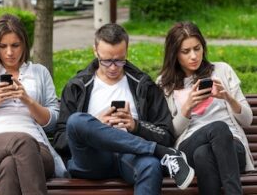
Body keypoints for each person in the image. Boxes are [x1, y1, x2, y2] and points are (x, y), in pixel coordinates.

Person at [53, 23, 194, 194]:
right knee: (77, 121)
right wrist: (95, 124)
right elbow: (60, 139)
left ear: (126, 51)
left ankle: (156, 153)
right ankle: (159, 152)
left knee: (151, 165)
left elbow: (165, 134)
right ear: (95, 51)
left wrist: (136, 126)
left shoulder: (144, 85)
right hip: (92, 159)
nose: (113, 67)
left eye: (119, 60)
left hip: (130, 157)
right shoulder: (77, 85)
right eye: (106, 61)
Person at [0, 14, 68, 195]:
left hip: (38, 150)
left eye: (15, 45)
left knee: (10, 165)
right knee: (21, 141)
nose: (9, 52)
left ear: (24, 44)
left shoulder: (39, 72)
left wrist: (28, 100)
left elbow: (53, 122)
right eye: (3, 46)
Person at [157, 21, 254, 195]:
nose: (194, 56)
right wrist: (187, 107)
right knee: (218, 127)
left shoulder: (222, 70)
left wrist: (228, 98)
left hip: (231, 147)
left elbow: (247, 120)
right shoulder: (165, 84)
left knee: (204, 154)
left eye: (197, 48)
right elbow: (169, 134)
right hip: (189, 146)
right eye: (185, 51)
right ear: (174, 54)